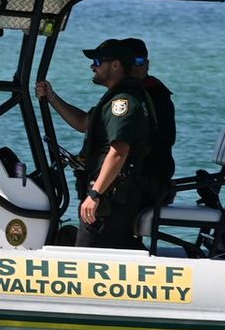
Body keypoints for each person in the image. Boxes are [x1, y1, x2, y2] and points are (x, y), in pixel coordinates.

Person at [35, 38, 153, 249]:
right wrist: (52, 97)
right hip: (112, 198)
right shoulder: (117, 98)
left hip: (109, 200)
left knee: (88, 257)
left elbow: (118, 152)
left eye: (98, 61)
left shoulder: (122, 102)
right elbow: (84, 123)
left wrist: (95, 194)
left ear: (116, 65)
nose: (93, 66)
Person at [121, 37, 176, 204]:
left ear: (147, 63)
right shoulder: (126, 93)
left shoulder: (156, 95)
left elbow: (163, 139)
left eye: (139, 61)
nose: (134, 67)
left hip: (148, 181)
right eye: (129, 62)